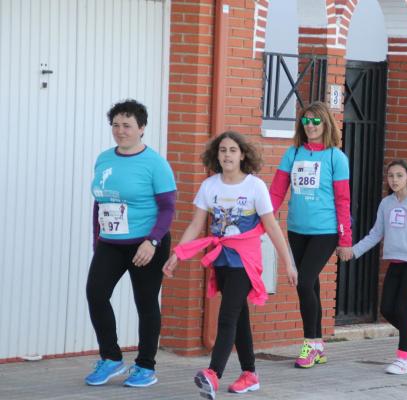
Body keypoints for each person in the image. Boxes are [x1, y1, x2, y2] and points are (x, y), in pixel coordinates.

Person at [162, 131, 297, 400]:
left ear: (243, 155)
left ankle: (213, 374)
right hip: (221, 261)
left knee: (226, 317)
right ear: (217, 155)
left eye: (233, 150)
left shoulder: (254, 186)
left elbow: (271, 226)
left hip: (244, 262)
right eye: (222, 150)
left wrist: (289, 263)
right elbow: (196, 224)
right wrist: (177, 253)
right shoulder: (210, 185)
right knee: (239, 317)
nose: (227, 155)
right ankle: (250, 374)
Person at [86, 99, 176, 387]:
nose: (120, 131)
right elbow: (100, 203)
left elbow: (168, 208)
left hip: (147, 244)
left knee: (146, 303)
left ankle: (145, 366)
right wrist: (97, 240)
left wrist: (152, 241)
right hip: (111, 242)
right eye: (115, 125)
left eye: (127, 125)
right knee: (96, 294)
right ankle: (111, 358)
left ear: (141, 128)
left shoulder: (155, 164)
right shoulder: (104, 159)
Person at [341, 159, 407, 375]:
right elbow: (375, 234)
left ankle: (403, 360)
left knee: (402, 309)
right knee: (386, 309)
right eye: (391, 176)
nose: (394, 180)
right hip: (395, 262)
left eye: (399, 175)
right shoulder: (386, 204)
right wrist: (354, 250)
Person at [269, 101, 353, 368]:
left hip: (325, 231)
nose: (310, 126)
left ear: (326, 123)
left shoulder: (336, 158)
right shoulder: (292, 154)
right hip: (296, 229)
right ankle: (318, 346)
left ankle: (310, 342)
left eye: (316, 121)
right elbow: (277, 192)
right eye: (306, 120)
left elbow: (343, 200)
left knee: (304, 282)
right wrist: (261, 219)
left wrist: (345, 239)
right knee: (311, 284)